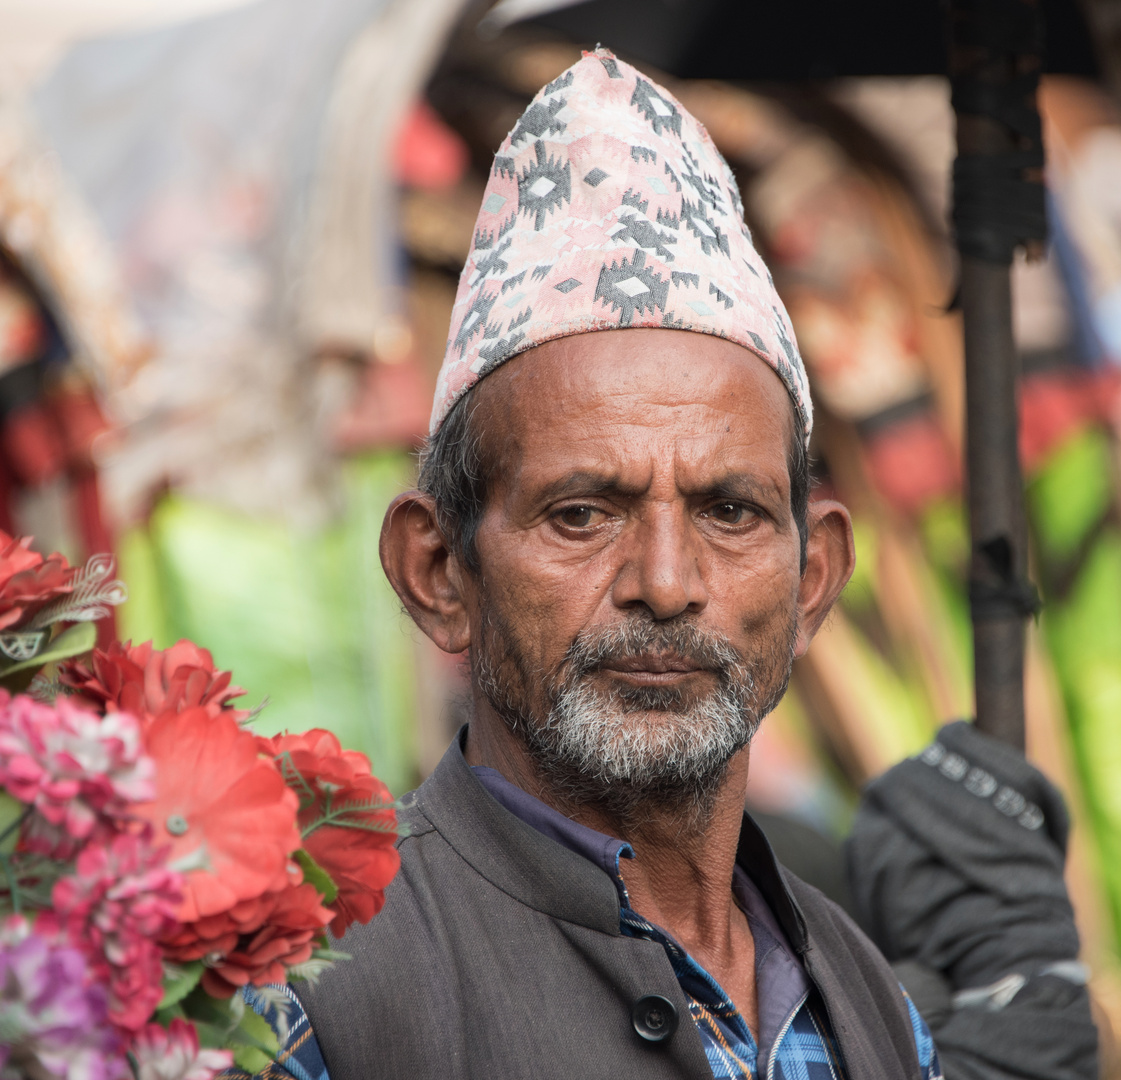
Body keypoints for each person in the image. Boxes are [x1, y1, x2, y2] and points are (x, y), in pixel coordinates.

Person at [231, 48, 941, 1080]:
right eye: (581, 514)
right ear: (437, 572)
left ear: (812, 579)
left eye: (729, 512)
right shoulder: (316, 1000)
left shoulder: (862, 1000)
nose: (663, 580)